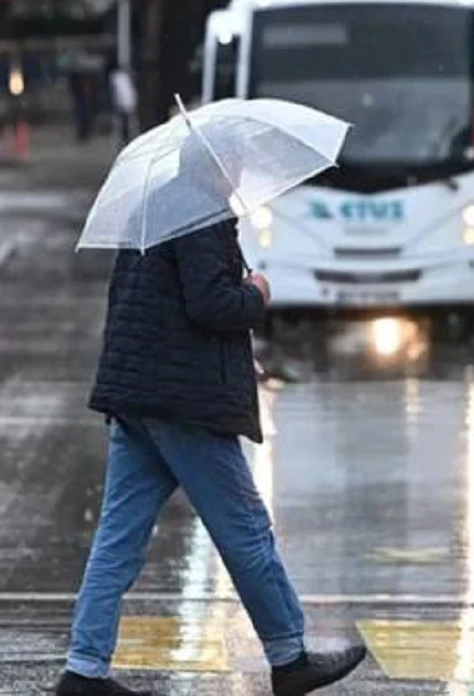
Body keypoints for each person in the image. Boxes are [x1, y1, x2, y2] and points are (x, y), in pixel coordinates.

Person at [56, 142, 368, 696]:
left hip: (138, 397)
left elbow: (154, 308)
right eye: (236, 164)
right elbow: (210, 304)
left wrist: (227, 354)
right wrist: (256, 293)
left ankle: (84, 667)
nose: (241, 174)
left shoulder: (153, 207)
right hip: (185, 406)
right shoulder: (202, 213)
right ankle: (290, 656)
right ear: (217, 165)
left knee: (118, 539)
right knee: (245, 529)